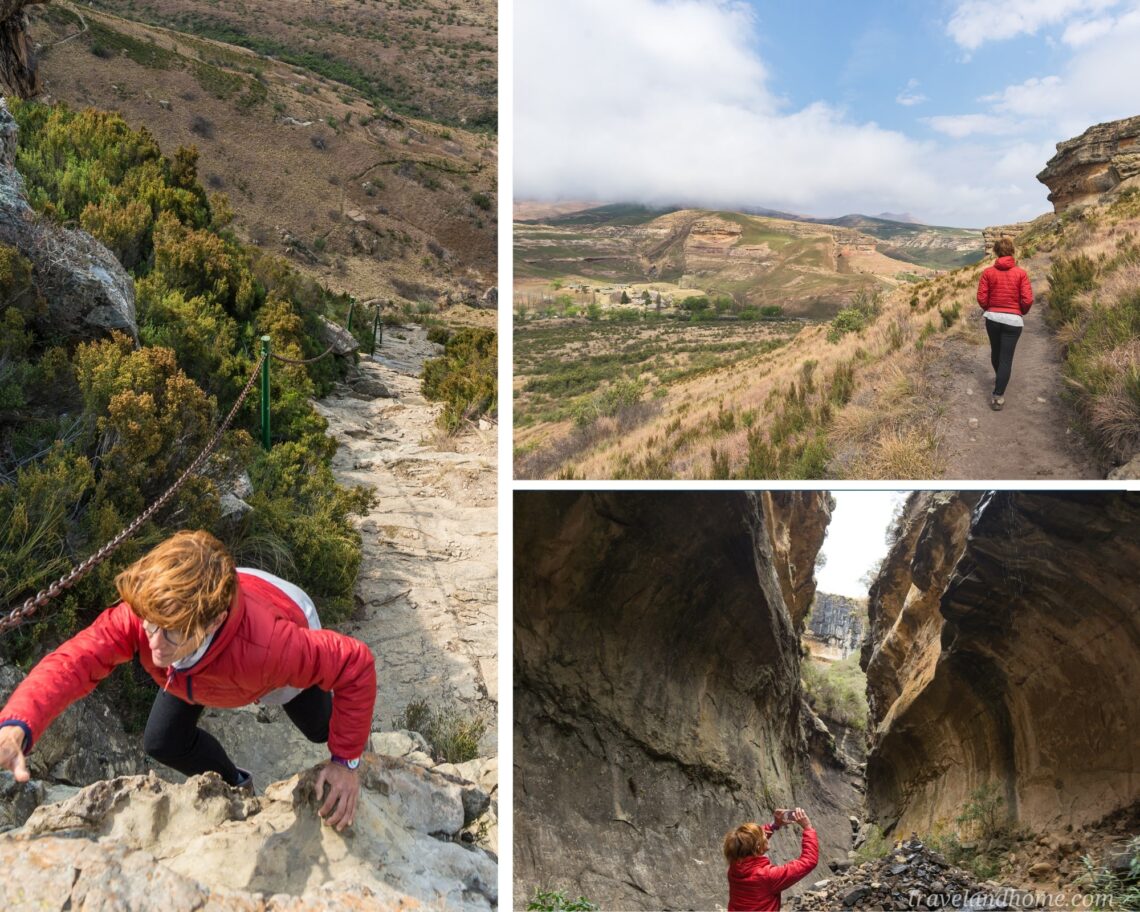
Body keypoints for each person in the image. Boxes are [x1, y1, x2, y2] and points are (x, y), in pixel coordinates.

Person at [0, 530, 376, 831]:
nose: (154, 644)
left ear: (211, 623)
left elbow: (355, 664)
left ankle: (363, 747)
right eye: (150, 625)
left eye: (171, 633)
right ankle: (236, 787)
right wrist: (18, 724)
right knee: (163, 741)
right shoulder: (153, 614)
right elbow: (74, 662)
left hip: (277, 622)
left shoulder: (273, 648)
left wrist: (346, 761)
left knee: (321, 728)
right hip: (202, 655)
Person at [976, 236, 1033, 411]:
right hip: (1013, 321)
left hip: (992, 318)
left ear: (996, 252)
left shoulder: (987, 273)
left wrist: (990, 308)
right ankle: (998, 395)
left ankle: (999, 378)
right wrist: (1020, 312)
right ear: (1012, 251)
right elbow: (1027, 299)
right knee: (1006, 358)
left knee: (996, 351)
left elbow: (981, 297)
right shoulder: (1021, 273)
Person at [725, 806, 819, 911]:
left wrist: (774, 825)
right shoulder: (767, 876)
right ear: (758, 846)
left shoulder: (735, 867)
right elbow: (809, 861)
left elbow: (748, 841)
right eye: (763, 835)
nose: (765, 834)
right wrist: (808, 828)